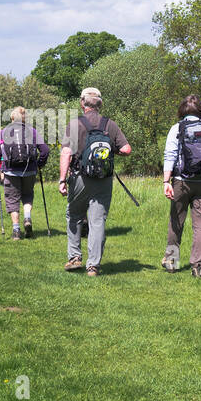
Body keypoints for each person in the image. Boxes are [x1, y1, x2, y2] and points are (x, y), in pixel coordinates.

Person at [58, 87, 130, 276]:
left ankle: (74, 257)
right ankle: (93, 266)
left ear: (82, 104)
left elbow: (66, 152)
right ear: (100, 104)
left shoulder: (74, 124)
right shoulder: (110, 124)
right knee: (97, 221)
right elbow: (127, 149)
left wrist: (62, 180)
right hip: (103, 180)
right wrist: (110, 150)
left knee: (74, 215)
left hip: (79, 178)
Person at [162, 94, 201, 277]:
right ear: (200, 110)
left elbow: (170, 154)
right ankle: (198, 266)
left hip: (181, 181)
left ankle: (172, 262)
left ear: (182, 110)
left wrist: (166, 181)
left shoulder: (177, 128)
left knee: (176, 222)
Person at [0, 106, 50, 240]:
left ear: (12, 118)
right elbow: (45, 150)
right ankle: (27, 218)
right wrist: (39, 164)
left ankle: (16, 231)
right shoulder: (32, 131)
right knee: (27, 195)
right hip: (29, 170)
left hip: (10, 171)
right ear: (24, 118)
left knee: (12, 199)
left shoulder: (4, 132)